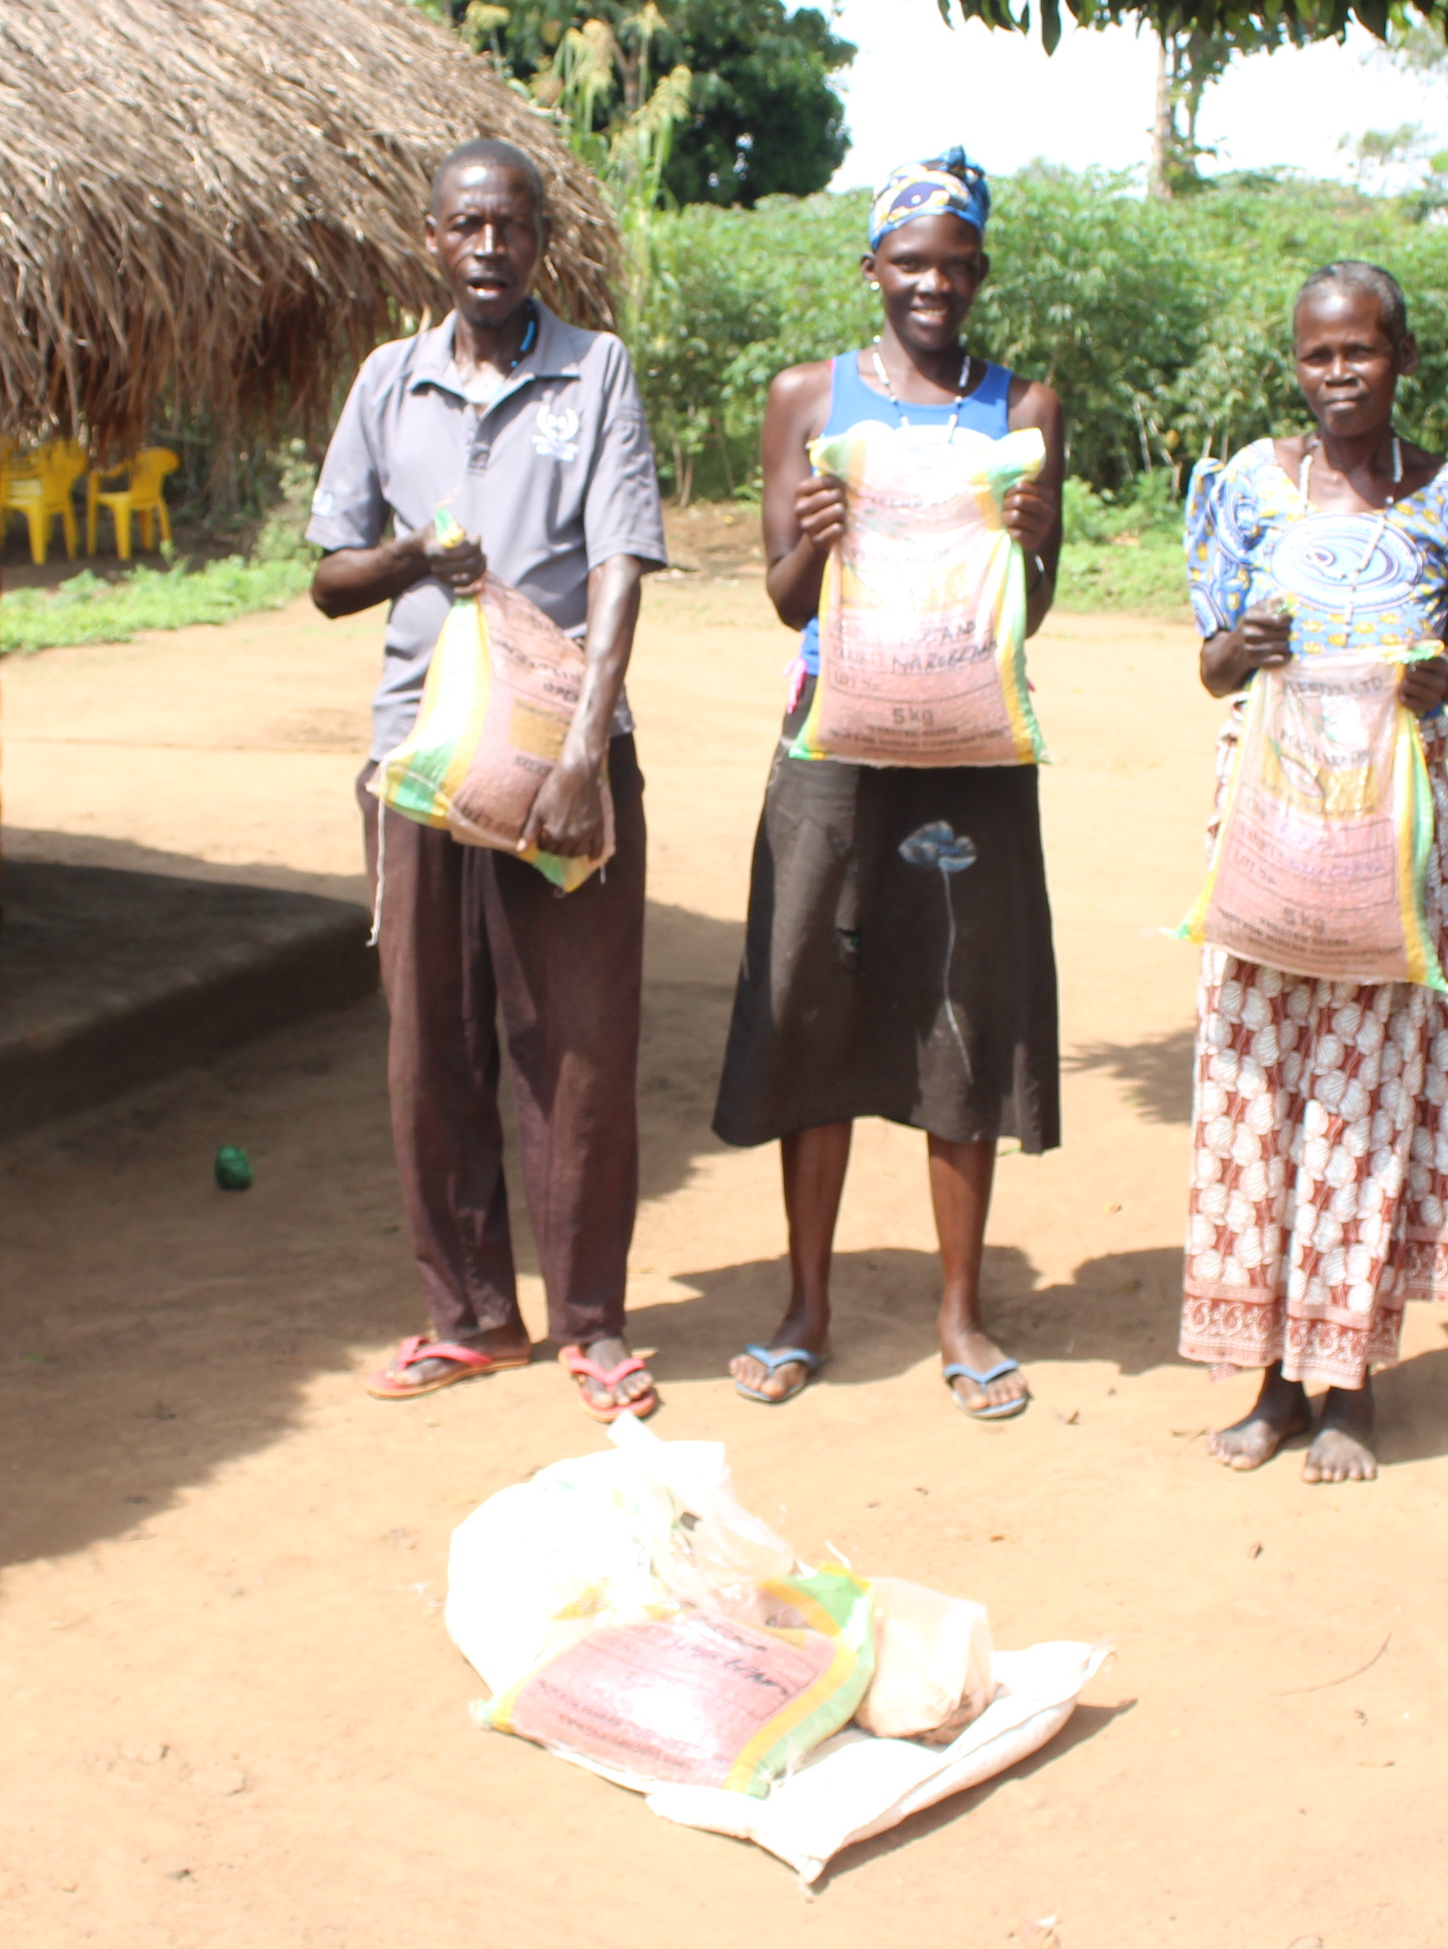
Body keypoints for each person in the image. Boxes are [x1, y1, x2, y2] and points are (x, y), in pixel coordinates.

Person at [308, 137, 669, 1421]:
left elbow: (620, 565)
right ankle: (469, 1316)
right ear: (431, 240)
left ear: (540, 242)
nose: (488, 248)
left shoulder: (594, 370)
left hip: (558, 756)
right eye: (466, 226)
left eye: (510, 226)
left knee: (576, 1044)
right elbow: (330, 578)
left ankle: (592, 1324)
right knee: (432, 1043)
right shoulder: (387, 383)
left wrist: (585, 759)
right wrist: (413, 554)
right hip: (419, 760)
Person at [712, 149, 1065, 1422]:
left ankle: (960, 1312)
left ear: (980, 274)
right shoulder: (809, 396)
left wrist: (1033, 548)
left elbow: (1034, 606)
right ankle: (806, 1307)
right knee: (815, 1005)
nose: (934, 285)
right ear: (872, 268)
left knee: (962, 1003)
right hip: (833, 750)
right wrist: (811, 543)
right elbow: (784, 599)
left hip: (971, 755)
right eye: (911, 263)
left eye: (956, 266)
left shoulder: (1024, 406)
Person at [1175, 260, 1448, 1481]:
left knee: (1367, 1098)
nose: (1340, 374)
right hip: (1270, 826)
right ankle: (1275, 1381)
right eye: (1318, 355)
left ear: (1402, 358)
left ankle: (1351, 1383)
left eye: (1361, 351)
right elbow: (1212, 667)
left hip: (1393, 835)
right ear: (1297, 365)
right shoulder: (1248, 488)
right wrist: (1241, 642)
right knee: (1265, 1092)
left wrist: (1440, 678)